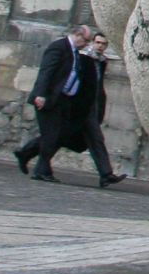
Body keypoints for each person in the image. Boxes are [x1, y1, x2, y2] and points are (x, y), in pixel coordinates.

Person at [12, 24, 94, 181]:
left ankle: (25, 154)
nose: (87, 44)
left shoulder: (75, 52)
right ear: (77, 35)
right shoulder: (58, 47)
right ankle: (42, 171)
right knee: (51, 136)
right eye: (86, 40)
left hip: (63, 100)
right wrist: (41, 95)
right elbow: (46, 72)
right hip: (48, 99)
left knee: (58, 136)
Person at [84, 32, 127, 188]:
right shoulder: (85, 58)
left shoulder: (102, 61)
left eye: (103, 44)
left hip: (90, 108)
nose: (100, 46)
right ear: (92, 43)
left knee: (96, 140)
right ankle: (27, 153)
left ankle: (106, 174)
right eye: (98, 42)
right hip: (80, 107)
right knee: (55, 137)